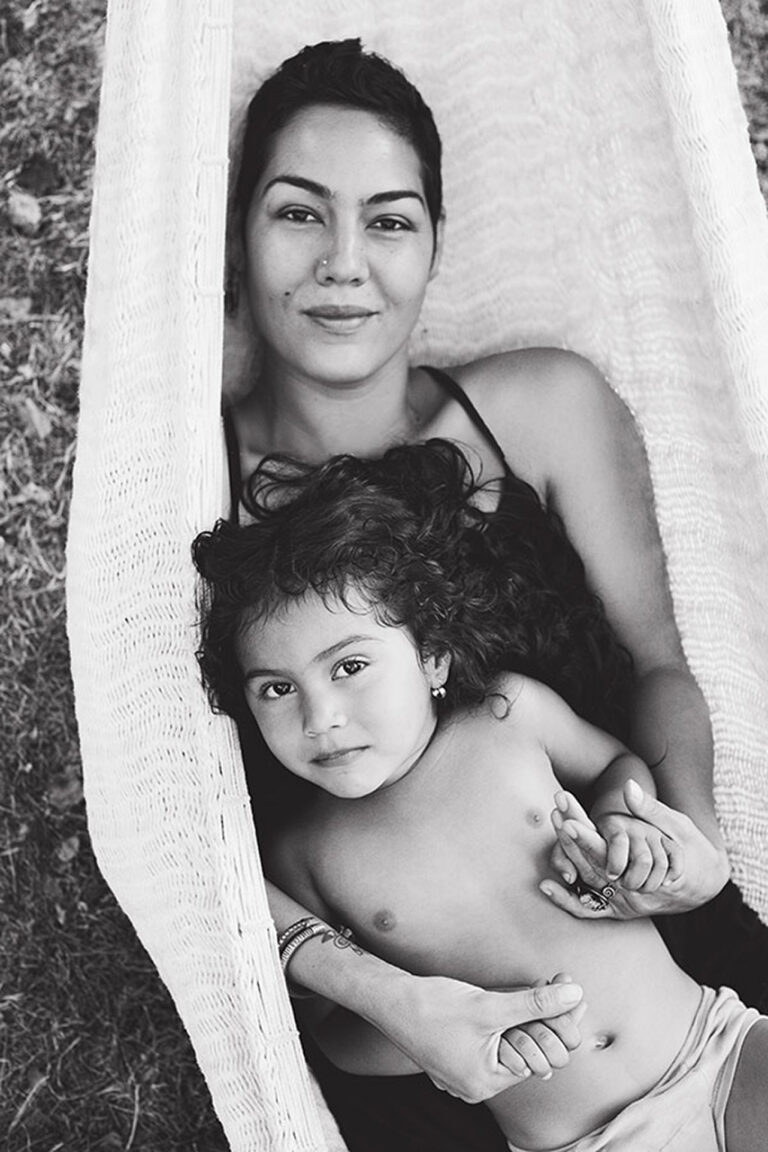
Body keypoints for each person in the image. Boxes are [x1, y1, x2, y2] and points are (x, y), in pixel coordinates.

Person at [223, 35, 768, 1150]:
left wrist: (686, 842)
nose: (343, 263)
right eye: (298, 212)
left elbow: (657, 662)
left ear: (435, 242)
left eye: (388, 221)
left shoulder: (540, 407)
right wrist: (391, 1001)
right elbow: (202, 859)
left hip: (664, 949)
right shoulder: (194, 499)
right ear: (238, 233)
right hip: (449, 1063)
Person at [193, 440, 768, 1152]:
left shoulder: (508, 716)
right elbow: (335, 1034)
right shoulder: (302, 852)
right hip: (577, 1139)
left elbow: (616, 763)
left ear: (432, 656)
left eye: (349, 666)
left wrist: (623, 827)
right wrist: (432, 1033)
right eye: (277, 689)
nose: (321, 717)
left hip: (716, 1046)